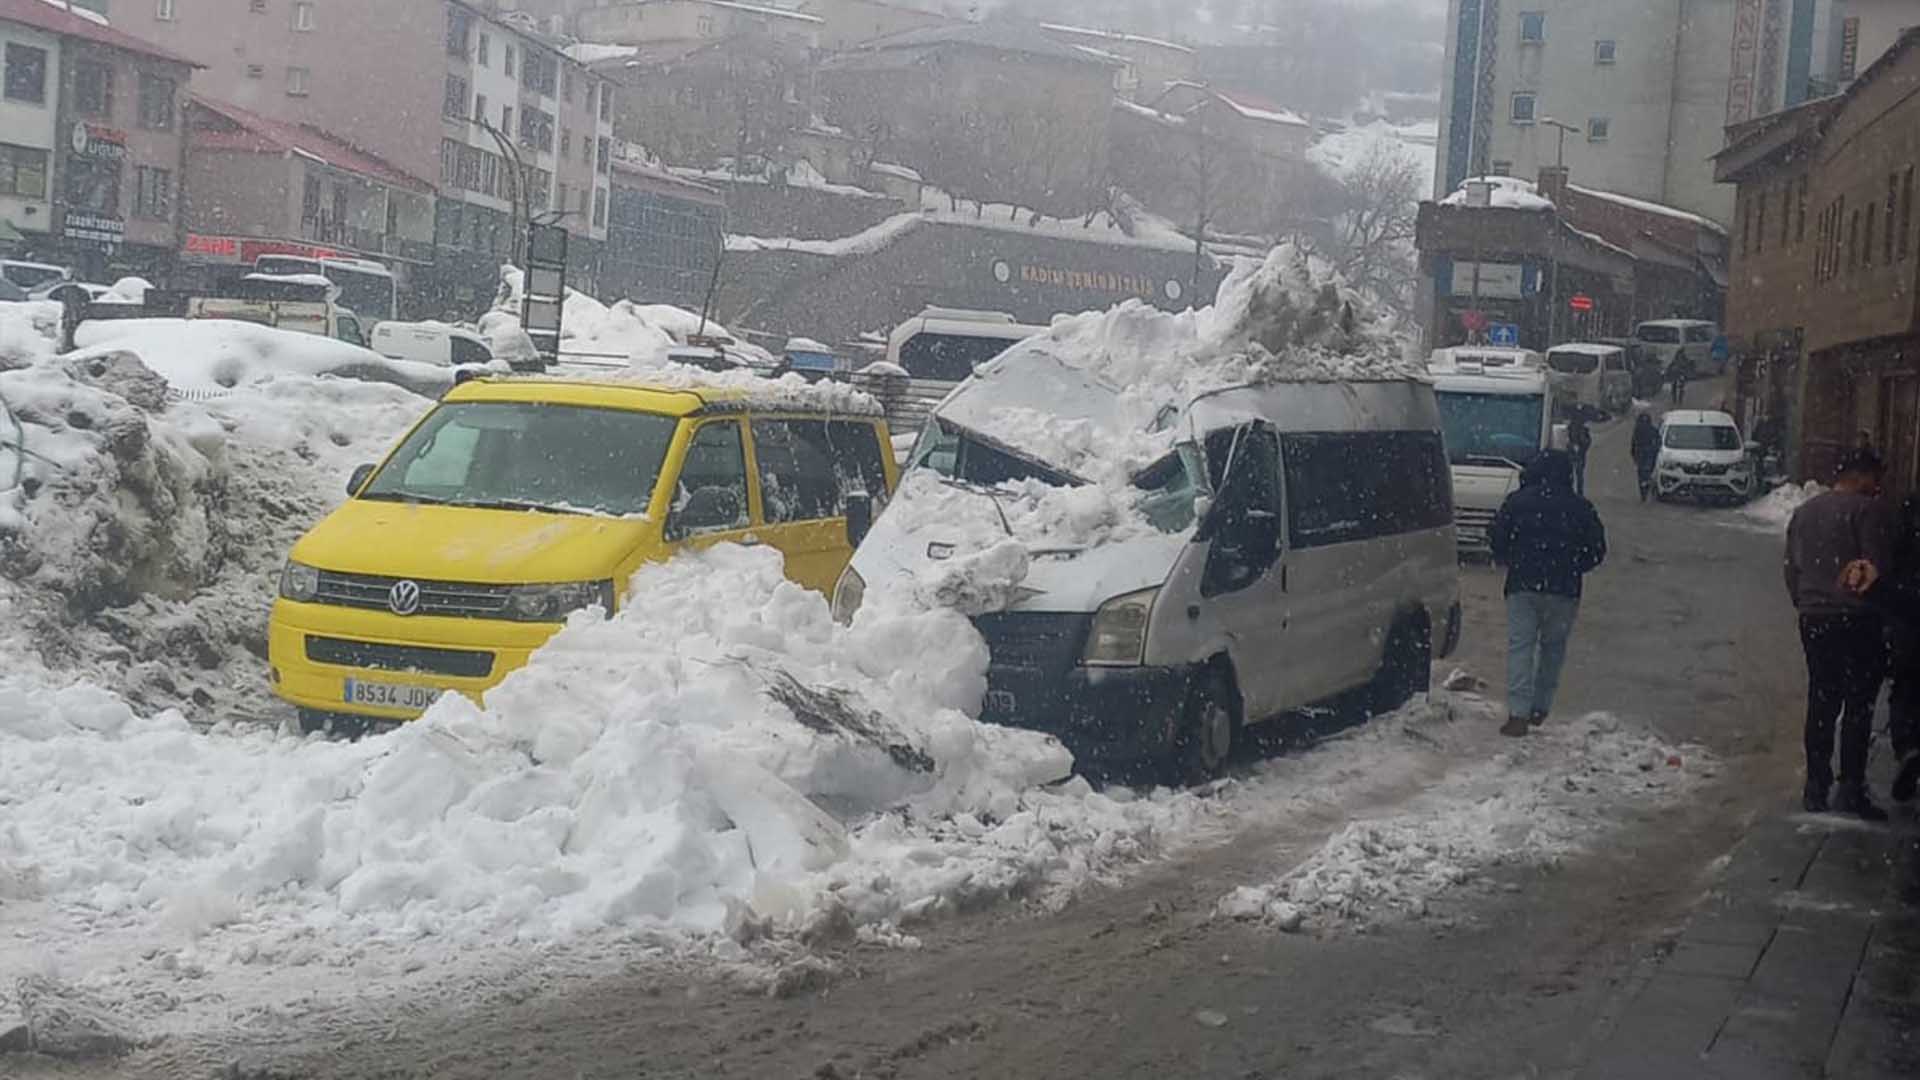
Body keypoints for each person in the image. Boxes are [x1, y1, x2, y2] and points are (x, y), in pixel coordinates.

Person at [1784, 449, 1894, 819]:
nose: (1878, 486)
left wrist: (1806, 601)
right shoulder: (1867, 511)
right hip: (1857, 618)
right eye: (1875, 477)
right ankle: (1851, 788)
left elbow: (1791, 566)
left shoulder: (1805, 512)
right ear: (1859, 474)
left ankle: (1816, 785)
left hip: (1814, 617)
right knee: (1858, 705)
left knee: (1822, 699)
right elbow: (1875, 568)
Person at [1489, 451, 1608, 737]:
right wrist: (1573, 567)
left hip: (1522, 586)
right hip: (1565, 589)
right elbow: (1597, 550)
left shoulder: (1517, 502)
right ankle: (1540, 707)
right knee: (1553, 649)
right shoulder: (1581, 507)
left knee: (1521, 646)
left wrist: (1513, 560)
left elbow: (1496, 538)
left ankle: (1518, 713)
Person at [1631, 413, 1661, 501]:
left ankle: (1644, 490)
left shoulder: (1637, 429)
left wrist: (1633, 453)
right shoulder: (1652, 429)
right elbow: (1658, 440)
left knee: (1642, 472)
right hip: (1648, 452)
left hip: (1641, 452)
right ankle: (1646, 486)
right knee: (1647, 471)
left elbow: (1633, 443)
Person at [1566, 411, 1593, 496]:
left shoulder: (1575, 428)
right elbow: (1588, 442)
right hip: (1576, 453)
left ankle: (1577, 492)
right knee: (1577, 474)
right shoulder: (1575, 428)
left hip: (1577, 453)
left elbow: (1587, 442)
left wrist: (1582, 448)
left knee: (1576, 474)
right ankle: (1578, 492)